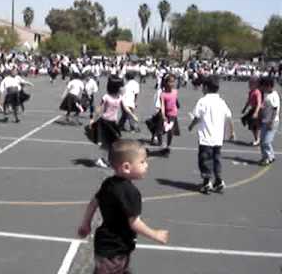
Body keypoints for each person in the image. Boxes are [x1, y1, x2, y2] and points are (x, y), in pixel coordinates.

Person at [77, 139, 169, 274]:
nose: (147, 165)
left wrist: (86, 223)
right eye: (142, 162)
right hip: (114, 250)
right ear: (126, 167)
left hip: (110, 245)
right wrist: (155, 234)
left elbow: (93, 203)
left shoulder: (108, 183)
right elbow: (134, 223)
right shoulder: (130, 193)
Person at [188, 75, 235, 194]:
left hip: (206, 137)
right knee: (216, 159)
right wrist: (232, 131)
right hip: (218, 138)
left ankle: (206, 181)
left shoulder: (203, 101)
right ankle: (218, 180)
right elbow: (229, 117)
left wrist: (191, 125)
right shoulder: (221, 102)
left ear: (206, 87)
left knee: (205, 159)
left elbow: (197, 117)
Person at [258, 77, 279, 166]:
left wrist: (271, 121)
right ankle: (269, 156)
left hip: (272, 122)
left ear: (269, 86)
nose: (262, 88)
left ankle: (267, 158)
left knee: (266, 141)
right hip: (264, 121)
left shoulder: (274, 95)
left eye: (263, 86)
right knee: (262, 141)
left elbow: (275, 109)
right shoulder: (266, 94)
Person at [160, 74, 180, 155]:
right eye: (170, 82)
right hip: (166, 115)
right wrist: (163, 115)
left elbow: (176, 101)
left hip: (173, 115)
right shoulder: (163, 94)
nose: (172, 84)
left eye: (173, 82)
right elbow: (162, 106)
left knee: (171, 132)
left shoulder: (175, 92)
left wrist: (177, 105)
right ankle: (162, 144)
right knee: (163, 131)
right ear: (166, 83)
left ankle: (168, 145)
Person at [241, 76, 262, 146]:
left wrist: (256, 112)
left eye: (251, 84)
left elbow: (259, 103)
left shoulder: (257, 92)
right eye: (249, 84)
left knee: (255, 126)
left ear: (256, 84)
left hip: (257, 110)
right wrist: (244, 108)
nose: (249, 85)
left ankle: (257, 139)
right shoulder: (251, 92)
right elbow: (249, 101)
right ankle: (257, 139)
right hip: (252, 109)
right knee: (250, 124)